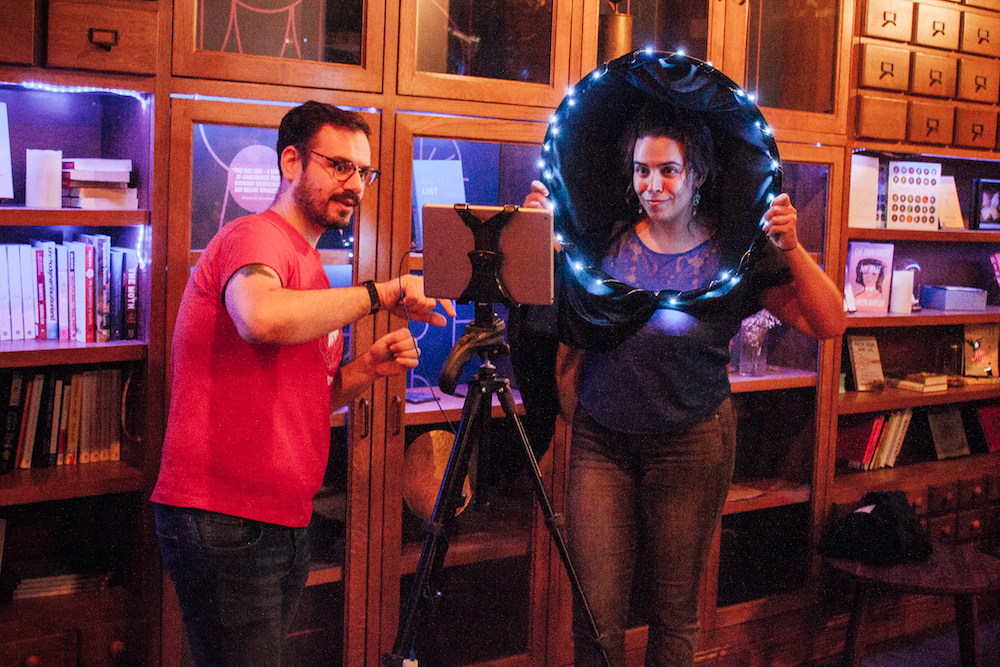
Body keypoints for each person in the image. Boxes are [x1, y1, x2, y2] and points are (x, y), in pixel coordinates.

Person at [523, 105, 845, 667]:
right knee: (595, 616)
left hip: (692, 442)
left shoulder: (734, 252)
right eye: (642, 170)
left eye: (668, 170)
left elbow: (829, 323)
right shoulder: (605, 241)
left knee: (674, 613)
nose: (652, 185)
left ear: (698, 175)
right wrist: (533, 237)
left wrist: (794, 247)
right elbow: (540, 306)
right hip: (601, 440)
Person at [151, 101, 454, 667]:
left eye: (364, 172)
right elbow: (258, 317)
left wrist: (366, 368)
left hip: (280, 519)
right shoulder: (255, 237)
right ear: (291, 161)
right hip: (227, 517)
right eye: (339, 166)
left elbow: (308, 397)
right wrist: (382, 294)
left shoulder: (310, 268)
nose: (355, 185)